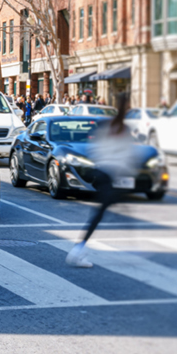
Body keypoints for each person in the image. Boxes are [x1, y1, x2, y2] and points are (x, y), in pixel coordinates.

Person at [65, 95, 139, 268]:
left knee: (112, 209)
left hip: (101, 173)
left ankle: (81, 249)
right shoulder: (125, 130)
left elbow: (95, 148)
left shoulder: (107, 126)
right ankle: (78, 249)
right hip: (111, 175)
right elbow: (128, 157)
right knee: (101, 214)